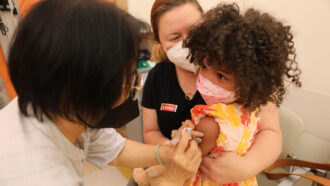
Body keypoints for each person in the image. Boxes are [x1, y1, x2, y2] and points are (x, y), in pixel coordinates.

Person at [0, 0, 201, 185]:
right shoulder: (42, 177)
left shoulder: (64, 109)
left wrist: (169, 153)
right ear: (97, 85)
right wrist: (172, 178)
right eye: (131, 75)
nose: (134, 83)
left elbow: (117, 150)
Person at [142, 0, 284, 184]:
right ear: (160, 42)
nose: (187, 43)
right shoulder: (157, 78)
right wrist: (173, 151)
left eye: (193, 30)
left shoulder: (245, 74)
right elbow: (150, 131)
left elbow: (271, 132)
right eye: (175, 37)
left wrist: (247, 166)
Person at [182, 3, 302, 185]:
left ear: (249, 82)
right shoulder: (165, 76)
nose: (205, 78)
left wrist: (247, 166)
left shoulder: (252, 101)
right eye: (204, 66)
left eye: (221, 76)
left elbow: (271, 132)